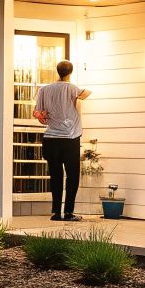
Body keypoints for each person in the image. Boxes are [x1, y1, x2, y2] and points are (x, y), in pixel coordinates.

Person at [33, 60, 90, 221]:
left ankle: (56, 212)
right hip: (69, 138)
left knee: (55, 176)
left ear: (57, 71)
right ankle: (69, 212)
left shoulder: (44, 90)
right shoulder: (72, 88)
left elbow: (38, 114)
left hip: (50, 138)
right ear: (70, 72)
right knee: (72, 176)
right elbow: (86, 94)